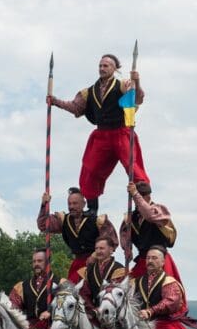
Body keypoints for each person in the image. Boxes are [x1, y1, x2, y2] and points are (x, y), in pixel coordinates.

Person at [48, 53, 149, 215]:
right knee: (90, 169)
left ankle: (143, 202)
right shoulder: (89, 92)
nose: (102, 69)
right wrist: (55, 101)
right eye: (100, 66)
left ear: (114, 69)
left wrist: (137, 81)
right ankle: (93, 208)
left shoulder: (124, 85)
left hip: (121, 132)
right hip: (102, 135)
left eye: (106, 66)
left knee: (133, 167)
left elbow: (138, 98)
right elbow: (75, 107)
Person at [38, 187, 119, 283]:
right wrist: (44, 205)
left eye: (75, 203)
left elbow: (111, 241)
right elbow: (43, 225)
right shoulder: (63, 220)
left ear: (83, 204)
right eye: (69, 204)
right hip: (77, 264)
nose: (71, 206)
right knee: (70, 290)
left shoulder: (97, 221)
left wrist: (95, 255)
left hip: (97, 262)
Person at [121, 181, 181, 280]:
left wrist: (136, 194)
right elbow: (124, 234)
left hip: (160, 261)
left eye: (141, 196)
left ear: (148, 196)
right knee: (127, 288)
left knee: (165, 289)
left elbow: (150, 216)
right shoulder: (131, 217)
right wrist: (127, 248)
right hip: (142, 261)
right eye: (134, 198)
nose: (135, 200)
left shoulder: (158, 210)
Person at [8, 248, 61, 329]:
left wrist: (51, 311)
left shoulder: (61, 283)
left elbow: (67, 307)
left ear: (48, 262)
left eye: (40, 261)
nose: (36, 264)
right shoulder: (21, 286)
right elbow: (12, 309)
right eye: (34, 261)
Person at [77, 237, 127, 312]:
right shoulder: (88, 270)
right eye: (96, 248)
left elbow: (116, 294)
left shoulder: (119, 269)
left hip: (112, 312)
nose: (98, 251)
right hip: (93, 312)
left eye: (101, 248)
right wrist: (92, 309)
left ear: (111, 250)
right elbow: (84, 293)